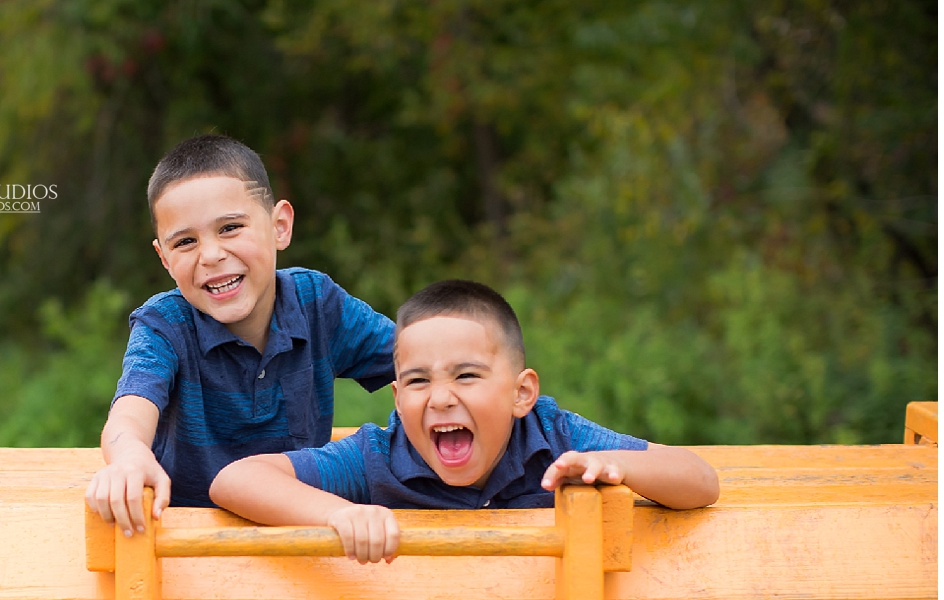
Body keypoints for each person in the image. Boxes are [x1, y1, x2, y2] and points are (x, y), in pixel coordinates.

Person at [210, 279, 720, 563]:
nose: (440, 398)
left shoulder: (555, 438)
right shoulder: (377, 458)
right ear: (396, 396)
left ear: (522, 393)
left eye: (467, 375)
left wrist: (612, 465)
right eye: (416, 381)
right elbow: (236, 479)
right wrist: (338, 515)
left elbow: (700, 480)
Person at [85, 135, 395, 535]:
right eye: (186, 242)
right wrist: (127, 455)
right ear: (164, 258)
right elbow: (131, 408)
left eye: (230, 228)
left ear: (279, 227)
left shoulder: (317, 303)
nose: (211, 254)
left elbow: (420, 360)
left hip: (298, 529)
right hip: (189, 543)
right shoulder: (165, 324)